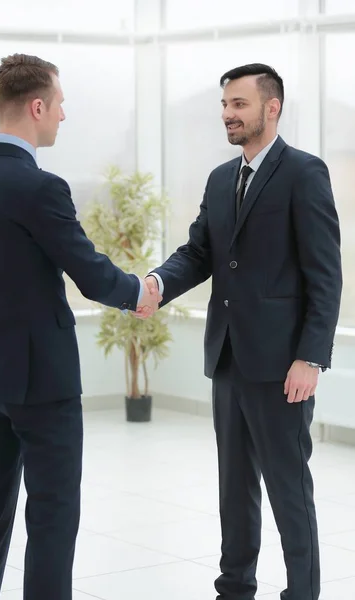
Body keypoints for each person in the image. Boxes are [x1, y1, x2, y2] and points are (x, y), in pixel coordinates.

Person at [0, 53, 160, 600]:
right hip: (46, 385)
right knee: (53, 518)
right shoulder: (40, 188)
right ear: (37, 106)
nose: (62, 116)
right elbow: (90, 273)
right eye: (59, 105)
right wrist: (138, 291)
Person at [136, 63, 342, 600]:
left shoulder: (305, 173)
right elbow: (200, 253)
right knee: (235, 488)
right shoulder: (220, 178)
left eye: (239, 105)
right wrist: (157, 282)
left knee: (288, 489)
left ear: (271, 108)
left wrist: (310, 357)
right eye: (225, 105)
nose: (228, 114)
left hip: (282, 366)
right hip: (227, 358)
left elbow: (325, 274)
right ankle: (235, 587)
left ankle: (303, 592)